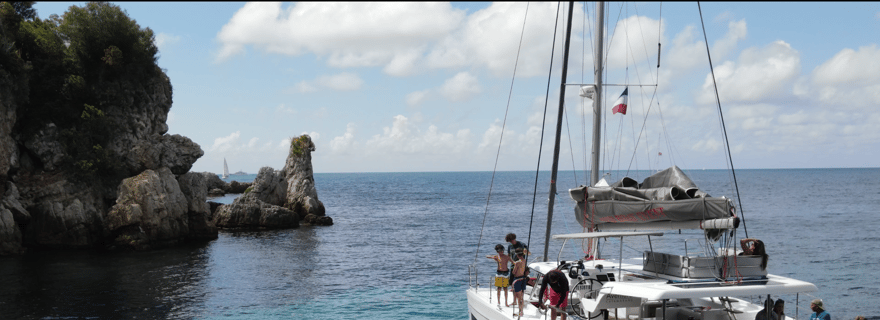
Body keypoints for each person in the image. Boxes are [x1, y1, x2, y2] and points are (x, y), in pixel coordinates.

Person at [511, 249, 528, 317]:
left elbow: (514, 272)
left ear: (518, 255)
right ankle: (521, 311)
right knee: (521, 296)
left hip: (517, 279)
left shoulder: (518, 262)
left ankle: (521, 312)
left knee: (519, 297)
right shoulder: (524, 261)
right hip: (523, 279)